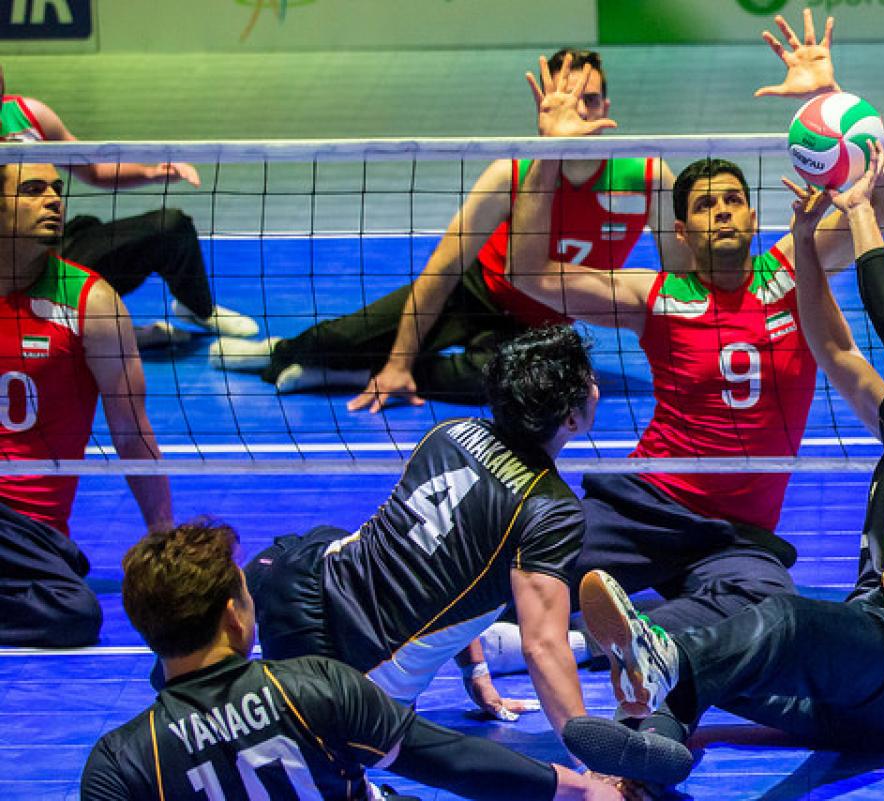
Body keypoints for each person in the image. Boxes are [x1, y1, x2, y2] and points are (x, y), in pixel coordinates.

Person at [563, 139, 884, 786]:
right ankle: (662, 744)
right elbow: (834, 348)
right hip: (862, 689)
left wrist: (858, 208)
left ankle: (662, 655)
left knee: (783, 619)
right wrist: (804, 240)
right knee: (735, 656)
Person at [503, 22, 884, 645]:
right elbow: (530, 272)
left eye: (731, 200)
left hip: (737, 534)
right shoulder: (657, 297)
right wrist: (551, 152)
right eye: (702, 205)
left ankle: (600, 638)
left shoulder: (791, 270)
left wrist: (831, 103)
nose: (720, 210)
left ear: (753, 215)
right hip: (648, 506)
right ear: (683, 231)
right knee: (514, 570)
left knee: (771, 619)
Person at [208, 48, 690, 405]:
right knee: (336, 340)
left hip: (542, 321)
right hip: (476, 291)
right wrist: (397, 358)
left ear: (606, 106)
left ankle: (353, 374)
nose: (580, 112)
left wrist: (689, 365)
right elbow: (441, 269)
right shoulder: (511, 173)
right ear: (545, 107)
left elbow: (678, 284)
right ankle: (293, 352)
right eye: (567, 101)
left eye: (590, 100)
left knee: (502, 389)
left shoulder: (648, 177)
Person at [80, 521, 627, 801]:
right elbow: (455, 761)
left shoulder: (122, 760)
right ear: (234, 618)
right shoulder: (317, 687)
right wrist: (583, 788)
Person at [244, 324, 599, 739]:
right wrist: (590, 760)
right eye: (589, 380)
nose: (595, 385)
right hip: (348, 680)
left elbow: (443, 562)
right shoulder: (552, 510)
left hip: (285, 583)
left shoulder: (449, 433)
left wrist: (476, 669)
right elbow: (542, 647)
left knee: (336, 538)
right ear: (571, 419)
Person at [0, 162, 173, 648]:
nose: (54, 200)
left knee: (73, 614)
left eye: (58, 189)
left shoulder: (89, 302)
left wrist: (163, 538)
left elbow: (131, 431)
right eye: (33, 191)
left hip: (32, 533)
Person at [0, 64, 259, 348]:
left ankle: (196, 309)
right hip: (10, 271)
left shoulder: (28, 115)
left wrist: (151, 173)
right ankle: (110, 333)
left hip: (55, 257)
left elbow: (95, 169)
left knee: (169, 228)